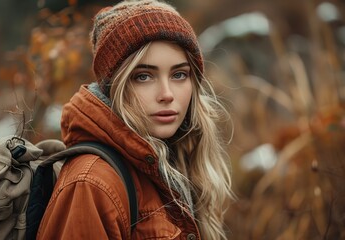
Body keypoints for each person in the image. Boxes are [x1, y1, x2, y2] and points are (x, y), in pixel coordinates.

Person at [37, 0, 234, 239]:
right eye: (143, 77)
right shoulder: (92, 183)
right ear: (115, 86)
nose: (167, 94)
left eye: (179, 74)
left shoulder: (173, 165)